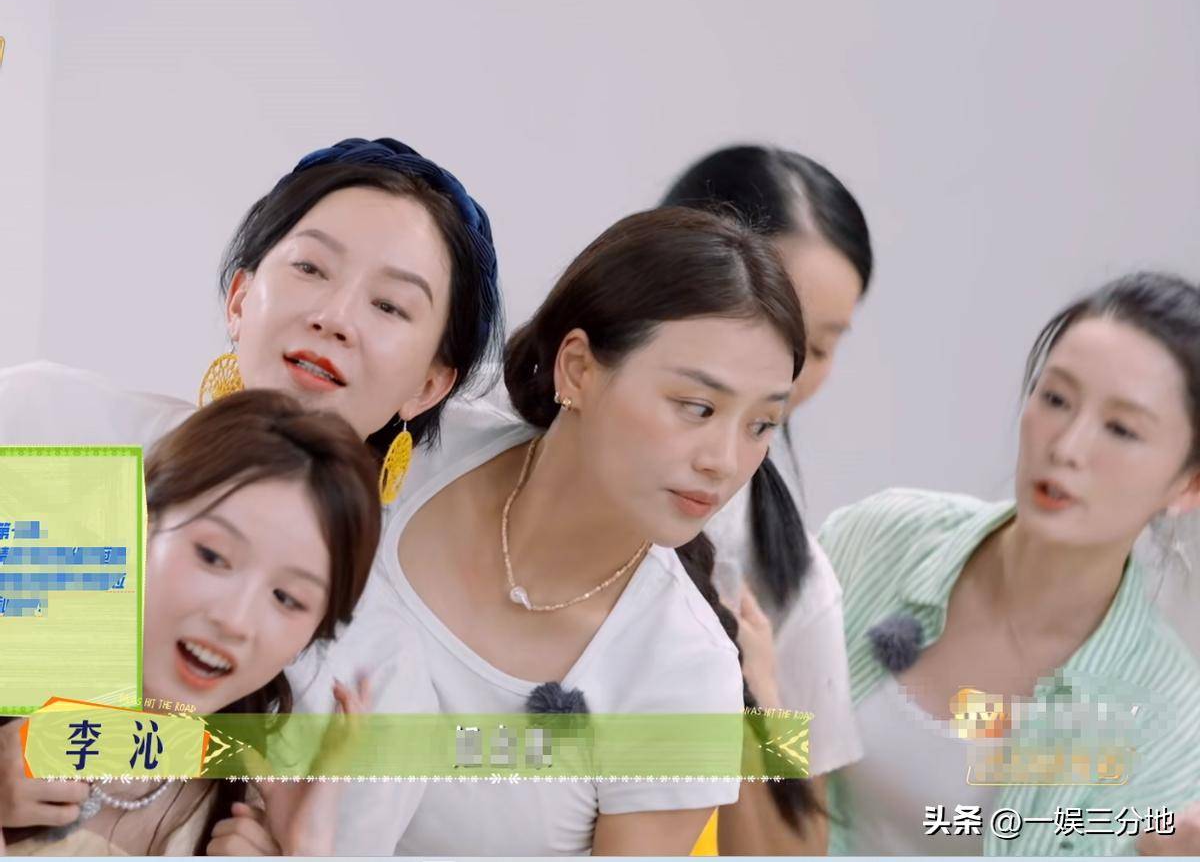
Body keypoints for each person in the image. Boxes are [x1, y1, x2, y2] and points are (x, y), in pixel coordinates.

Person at [0, 136, 506, 854]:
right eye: (310, 267)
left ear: (429, 384)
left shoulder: (373, 675)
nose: (335, 317)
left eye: (390, 305)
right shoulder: (43, 428)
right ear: (241, 298)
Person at [333, 206, 808, 855]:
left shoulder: (684, 674)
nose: (724, 461)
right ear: (578, 368)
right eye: (697, 407)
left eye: (761, 425)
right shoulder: (414, 448)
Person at [821, 272, 1200, 855]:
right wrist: (760, 725)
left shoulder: (1166, 713)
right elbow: (717, 750)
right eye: (1056, 399)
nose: (1067, 447)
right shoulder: (880, 537)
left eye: (1121, 429)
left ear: (1188, 486)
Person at [1, 390, 383, 855]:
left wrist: (306, 849)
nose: (235, 621)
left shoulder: (248, 818)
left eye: (287, 598)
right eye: (212, 556)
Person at [661, 144, 873, 852]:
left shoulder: (790, 586)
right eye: (770, 320)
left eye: (820, 347)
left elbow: (798, 845)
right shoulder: (486, 435)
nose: (787, 370)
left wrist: (760, 700)